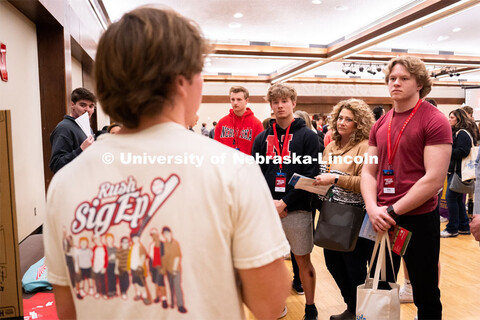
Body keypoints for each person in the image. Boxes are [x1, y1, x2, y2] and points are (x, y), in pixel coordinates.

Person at [44, 7, 290, 320]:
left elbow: (68, 311)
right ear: (182, 81)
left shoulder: (65, 182)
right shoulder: (232, 170)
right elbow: (269, 303)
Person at [361, 55, 452, 320]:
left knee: (425, 292)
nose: (396, 83)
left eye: (404, 78)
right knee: (380, 287)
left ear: (420, 83)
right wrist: (373, 208)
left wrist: (391, 211)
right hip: (380, 218)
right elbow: (369, 170)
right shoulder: (380, 123)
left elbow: (434, 179)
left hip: (417, 219)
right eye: (392, 78)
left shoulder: (434, 120)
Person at [252, 83, 320, 320]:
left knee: (302, 261)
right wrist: (270, 203)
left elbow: (312, 175)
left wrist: (286, 202)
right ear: (270, 105)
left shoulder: (309, 137)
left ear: (293, 103)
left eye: (284, 101)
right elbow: (256, 174)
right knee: (272, 262)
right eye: (275, 102)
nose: (280, 106)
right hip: (269, 210)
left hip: (298, 209)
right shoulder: (262, 138)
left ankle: (310, 307)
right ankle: (277, 304)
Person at [313, 99, 375, 320]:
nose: (342, 122)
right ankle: (352, 307)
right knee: (333, 264)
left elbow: (367, 182)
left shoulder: (366, 146)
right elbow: (324, 173)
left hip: (356, 217)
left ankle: (361, 313)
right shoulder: (331, 145)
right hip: (331, 213)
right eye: (340, 117)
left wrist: (336, 179)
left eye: (349, 119)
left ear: (359, 123)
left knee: (354, 269)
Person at [440, 108, 475, 237]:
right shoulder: (457, 133)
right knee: (458, 199)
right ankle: (464, 226)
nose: (449, 119)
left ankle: (452, 228)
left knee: (451, 197)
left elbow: (463, 151)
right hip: (456, 171)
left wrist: (447, 151)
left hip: (459, 172)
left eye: (452, 117)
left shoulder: (463, 133)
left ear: (459, 119)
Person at [49, 88, 96, 173]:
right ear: (72, 105)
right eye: (83, 105)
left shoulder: (88, 128)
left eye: (91, 106)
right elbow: (56, 165)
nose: (87, 109)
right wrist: (81, 149)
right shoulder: (64, 128)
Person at [214, 86, 264, 154]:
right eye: (232, 99)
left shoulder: (256, 124)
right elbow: (216, 147)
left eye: (239, 99)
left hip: (248, 163)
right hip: (226, 163)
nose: (235, 103)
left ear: (246, 101)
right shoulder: (222, 123)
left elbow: (260, 151)